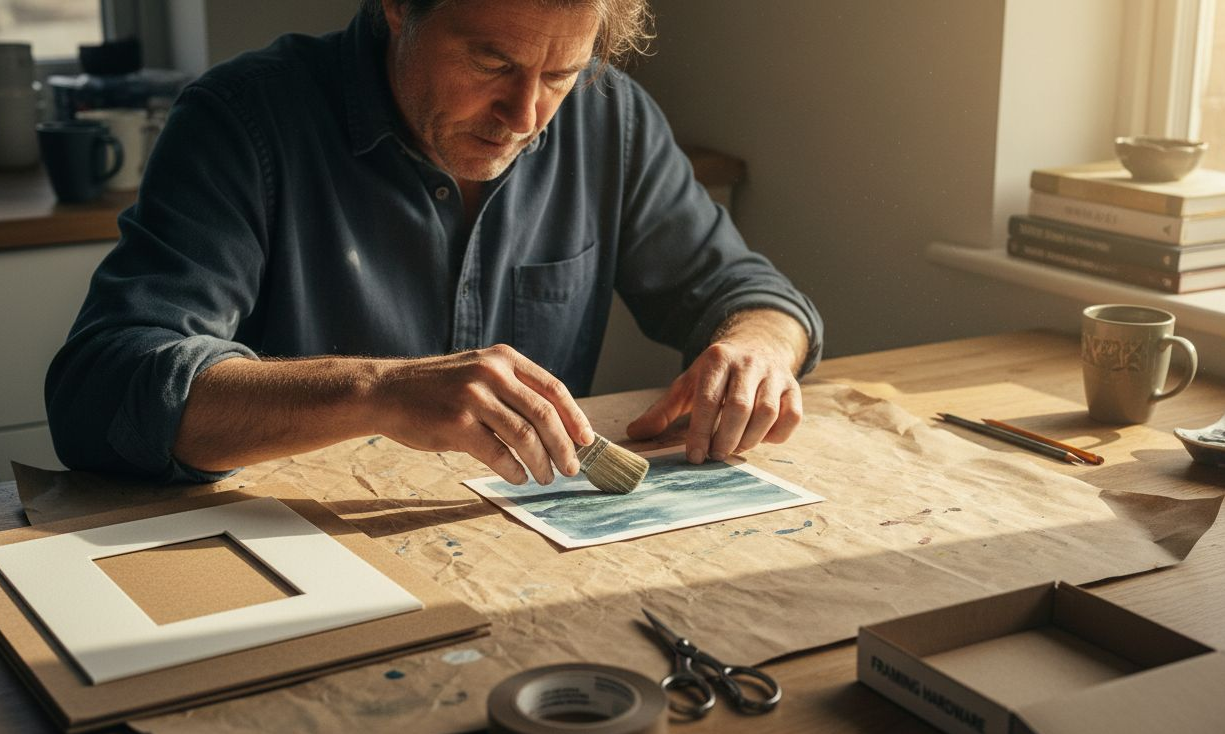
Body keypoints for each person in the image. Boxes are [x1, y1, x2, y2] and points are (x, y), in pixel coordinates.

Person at [45, 0, 823, 487]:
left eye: (559, 73)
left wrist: (758, 348)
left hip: (517, 554)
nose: (524, 115)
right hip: (291, 560)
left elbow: (750, 296)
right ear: (397, 8)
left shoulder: (610, 119)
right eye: (490, 61)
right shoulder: (242, 121)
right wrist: (377, 392)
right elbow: (101, 389)